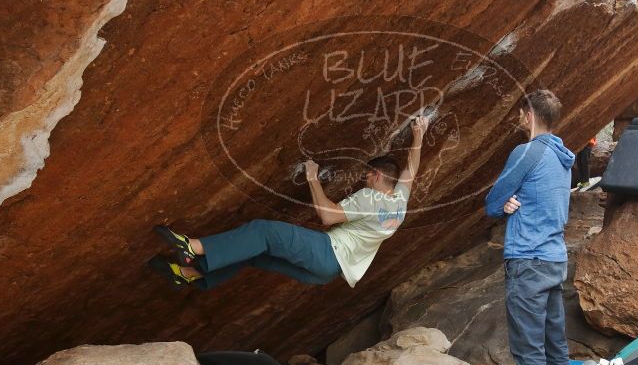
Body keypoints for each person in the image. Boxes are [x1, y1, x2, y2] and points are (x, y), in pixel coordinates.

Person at [148, 116, 429, 290]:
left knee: (262, 231)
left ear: (377, 175)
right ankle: (188, 274)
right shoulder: (399, 203)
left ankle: (192, 246)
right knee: (254, 251)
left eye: (368, 175)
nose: (365, 179)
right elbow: (411, 170)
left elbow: (328, 217)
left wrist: (312, 178)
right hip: (327, 274)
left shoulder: (370, 197)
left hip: (328, 253)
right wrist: (419, 135)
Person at [484, 89, 575, 365]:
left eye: (521, 113)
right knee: (556, 346)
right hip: (554, 259)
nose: (519, 119)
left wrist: (503, 203)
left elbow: (492, 201)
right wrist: (512, 201)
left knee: (529, 351)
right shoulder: (562, 156)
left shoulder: (527, 152)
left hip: (528, 260)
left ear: (530, 115)